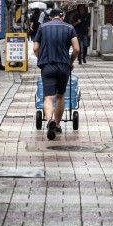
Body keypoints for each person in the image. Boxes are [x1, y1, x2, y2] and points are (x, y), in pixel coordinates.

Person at [33, 8, 80, 140]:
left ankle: (49, 120)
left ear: (50, 17)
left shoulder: (42, 28)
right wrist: (70, 62)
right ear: (62, 17)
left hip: (47, 66)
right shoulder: (70, 28)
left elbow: (36, 48)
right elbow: (76, 49)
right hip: (63, 66)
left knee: (48, 97)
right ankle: (57, 124)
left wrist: (40, 58)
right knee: (60, 96)